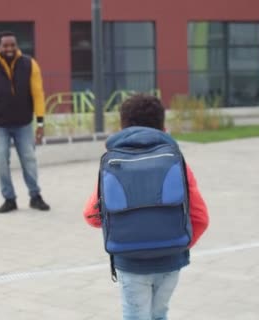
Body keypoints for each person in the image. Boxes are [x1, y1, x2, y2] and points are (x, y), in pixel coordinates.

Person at [82, 95, 209, 320]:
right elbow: (200, 217)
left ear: (122, 126)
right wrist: (179, 244)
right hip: (171, 261)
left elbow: (91, 216)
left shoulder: (113, 163)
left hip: (130, 263)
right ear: (163, 127)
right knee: (159, 314)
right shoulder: (175, 160)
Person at [0, 31, 50, 213]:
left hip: (24, 124)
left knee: (29, 160)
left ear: (17, 46)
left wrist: (40, 123)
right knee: (1, 161)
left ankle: (35, 196)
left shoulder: (29, 64)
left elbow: (38, 94)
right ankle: (9, 199)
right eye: (5, 45)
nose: (9, 48)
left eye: (12, 45)